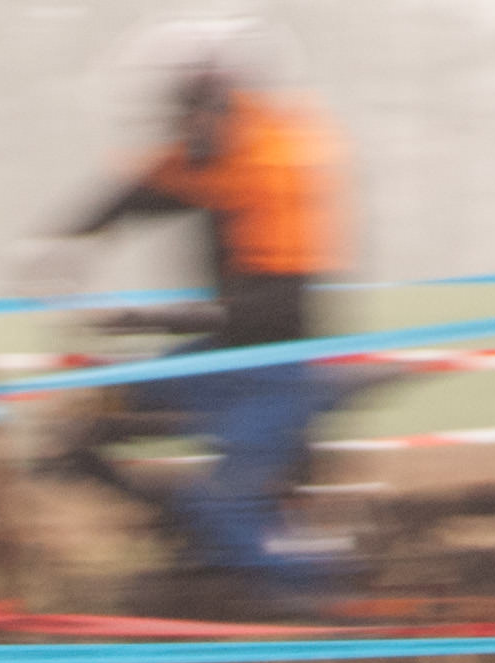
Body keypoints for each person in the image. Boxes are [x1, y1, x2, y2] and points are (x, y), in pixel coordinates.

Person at [23, 18, 345, 611]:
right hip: (225, 354)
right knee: (85, 422)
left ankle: (326, 606)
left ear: (215, 99)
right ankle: (181, 532)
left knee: (224, 505)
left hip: (278, 365)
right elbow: (141, 191)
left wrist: (155, 319)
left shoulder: (275, 162)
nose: (178, 127)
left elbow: (273, 309)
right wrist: (61, 240)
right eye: (173, 113)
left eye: (184, 112)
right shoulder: (217, 148)